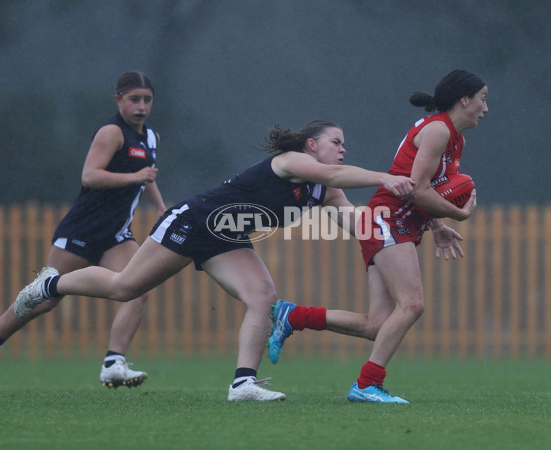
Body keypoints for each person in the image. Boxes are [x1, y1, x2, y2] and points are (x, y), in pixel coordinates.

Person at [13, 120, 415, 401]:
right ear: (311, 146)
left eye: (344, 145)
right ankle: (49, 285)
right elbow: (337, 176)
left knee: (263, 296)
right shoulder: (292, 163)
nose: (343, 150)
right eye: (336, 142)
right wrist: (383, 176)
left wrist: (422, 221)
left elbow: (359, 223)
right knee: (126, 288)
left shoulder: (324, 191)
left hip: (227, 237)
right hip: (194, 220)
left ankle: (243, 385)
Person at [268, 70, 487, 403]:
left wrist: (439, 226)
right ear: (464, 99)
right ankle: (367, 384)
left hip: (395, 221)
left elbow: (436, 187)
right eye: (483, 98)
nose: (486, 108)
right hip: (388, 218)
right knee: (412, 304)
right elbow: (418, 190)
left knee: (377, 325)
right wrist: (455, 215)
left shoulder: (455, 137)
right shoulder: (439, 130)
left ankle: (293, 315)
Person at [0, 71, 167, 388]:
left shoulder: (151, 137)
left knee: (139, 288)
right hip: (83, 229)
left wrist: (159, 206)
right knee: (45, 300)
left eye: (147, 100)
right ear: (118, 99)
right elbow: (90, 176)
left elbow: (146, 176)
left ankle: (114, 363)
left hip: (117, 234)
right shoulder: (111, 132)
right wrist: (135, 178)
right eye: (134, 99)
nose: (141, 106)